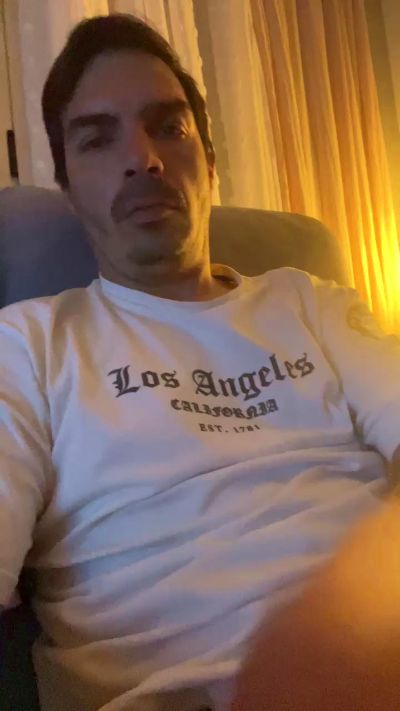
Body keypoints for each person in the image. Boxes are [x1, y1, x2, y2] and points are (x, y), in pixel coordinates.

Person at [0, 13, 399, 711]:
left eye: (169, 127)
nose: (143, 159)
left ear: (210, 162)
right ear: (69, 188)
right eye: (98, 138)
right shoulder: (28, 344)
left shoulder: (311, 303)